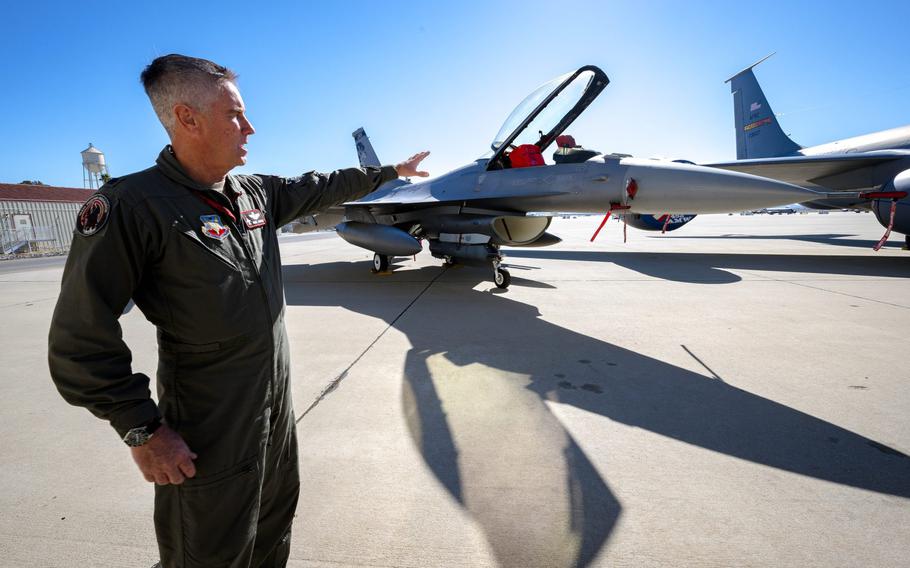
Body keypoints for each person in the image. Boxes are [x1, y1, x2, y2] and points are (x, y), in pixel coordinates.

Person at [48, 54, 429, 567]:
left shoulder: (253, 194)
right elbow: (79, 339)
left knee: (273, 533)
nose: (250, 127)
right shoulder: (134, 206)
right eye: (236, 115)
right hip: (208, 428)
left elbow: (321, 185)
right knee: (208, 554)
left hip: (274, 411)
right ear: (188, 118)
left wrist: (388, 173)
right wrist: (142, 429)